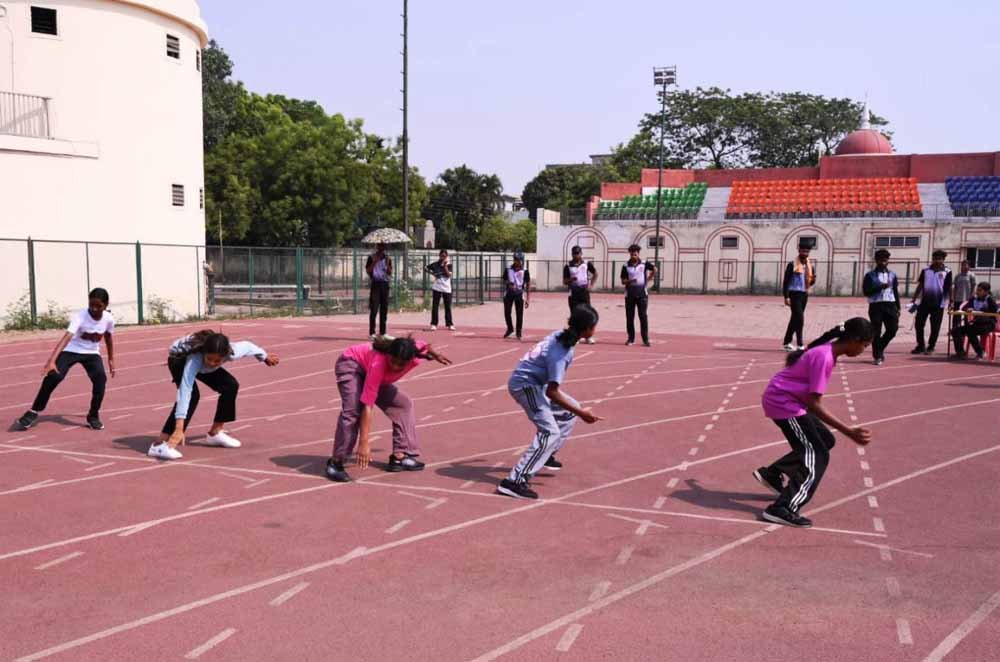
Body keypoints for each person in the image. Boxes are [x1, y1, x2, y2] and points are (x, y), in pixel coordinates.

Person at [753, 318, 874, 527]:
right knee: (818, 454)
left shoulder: (828, 351)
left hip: (790, 401)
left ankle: (772, 473)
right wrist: (849, 431)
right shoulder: (824, 357)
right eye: (864, 346)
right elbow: (814, 403)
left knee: (825, 439)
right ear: (854, 340)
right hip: (784, 404)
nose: (863, 351)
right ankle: (782, 508)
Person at [498, 304, 603, 499]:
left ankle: (547, 453)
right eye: (594, 326)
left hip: (536, 384)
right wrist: (583, 414)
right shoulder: (562, 352)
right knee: (550, 432)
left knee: (569, 411)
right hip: (525, 386)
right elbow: (552, 392)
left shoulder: (560, 335)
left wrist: (577, 411)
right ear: (587, 329)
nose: (596, 329)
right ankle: (514, 481)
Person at [325, 336, 451, 482]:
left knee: (403, 405)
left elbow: (424, 345)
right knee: (352, 412)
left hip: (371, 370)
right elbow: (368, 405)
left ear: (411, 359)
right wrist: (364, 443)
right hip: (351, 364)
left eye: (401, 364)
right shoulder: (378, 364)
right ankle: (336, 462)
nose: (396, 367)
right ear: (389, 355)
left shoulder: (412, 350)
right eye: (393, 361)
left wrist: (436, 355)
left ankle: (400, 456)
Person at [147, 331, 279, 460]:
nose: (212, 363)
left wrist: (264, 357)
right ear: (204, 353)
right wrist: (179, 428)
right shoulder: (195, 359)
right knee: (192, 396)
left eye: (217, 361)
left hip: (202, 362)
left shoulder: (232, 352)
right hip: (179, 359)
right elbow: (184, 392)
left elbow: (248, 346)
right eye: (209, 359)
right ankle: (159, 445)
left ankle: (215, 433)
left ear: (225, 355)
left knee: (230, 385)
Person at [15, 288, 116, 431]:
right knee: (54, 376)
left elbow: (108, 337)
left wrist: (111, 359)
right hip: (72, 350)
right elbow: (66, 337)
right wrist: (51, 361)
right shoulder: (81, 316)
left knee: (100, 380)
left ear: (105, 305)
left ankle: (93, 415)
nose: (94, 309)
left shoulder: (108, 319)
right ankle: (33, 411)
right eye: (91, 304)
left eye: (98, 306)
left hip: (92, 353)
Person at [862, 249, 900, 365]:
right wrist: (879, 287)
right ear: (876, 260)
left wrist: (898, 307)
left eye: (885, 260)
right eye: (880, 260)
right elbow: (866, 292)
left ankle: (880, 348)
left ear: (888, 261)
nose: (883, 262)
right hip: (876, 305)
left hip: (890, 305)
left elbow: (895, 291)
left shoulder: (892, 275)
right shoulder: (870, 275)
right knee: (876, 332)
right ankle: (877, 356)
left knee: (892, 330)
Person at [911, 250, 952, 355]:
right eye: (935, 258)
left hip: (939, 303)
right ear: (932, 259)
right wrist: (914, 298)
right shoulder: (925, 270)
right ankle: (920, 345)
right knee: (918, 324)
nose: (937, 261)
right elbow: (920, 285)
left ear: (943, 260)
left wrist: (951, 301)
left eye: (940, 259)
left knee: (935, 326)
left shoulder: (947, 271)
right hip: (924, 302)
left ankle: (931, 346)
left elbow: (949, 287)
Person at [782, 244, 816, 351]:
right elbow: (786, 282)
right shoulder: (792, 265)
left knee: (794, 318)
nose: (805, 253)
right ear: (799, 251)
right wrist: (786, 296)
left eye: (807, 252)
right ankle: (800, 344)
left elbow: (810, 282)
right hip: (794, 294)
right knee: (800, 319)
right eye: (803, 251)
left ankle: (787, 342)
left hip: (804, 294)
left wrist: (813, 280)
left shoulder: (810, 266)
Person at [620, 243, 655, 346]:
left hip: (642, 294)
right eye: (631, 254)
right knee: (630, 317)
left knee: (643, 316)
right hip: (630, 295)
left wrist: (648, 279)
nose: (633, 256)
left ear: (638, 254)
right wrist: (630, 281)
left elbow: (655, 269)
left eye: (635, 254)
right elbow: (623, 281)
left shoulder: (644, 263)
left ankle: (645, 339)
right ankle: (631, 338)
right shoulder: (625, 266)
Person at [950, 282, 997, 360]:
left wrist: (986, 311)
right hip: (976, 323)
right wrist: (968, 309)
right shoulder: (973, 299)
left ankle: (980, 352)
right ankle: (960, 352)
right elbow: (964, 307)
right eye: (977, 290)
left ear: (986, 292)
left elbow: (996, 310)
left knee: (970, 331)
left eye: (980, 290)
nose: (977, 292)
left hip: (988, 324)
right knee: (955, 330)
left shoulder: (989, 300)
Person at [563, 245, 597, 344]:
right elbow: (564, 281)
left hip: (584, 292)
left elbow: (595, 273)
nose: (576, 255)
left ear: (581, 253)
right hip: (573, 293)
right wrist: (571, 280)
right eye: (574, 253)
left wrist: (591, 285)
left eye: (577, 253)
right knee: (574, 315)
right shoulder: (568, 266)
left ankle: (588, 336)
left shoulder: (586, 263)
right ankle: (575, 336)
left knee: (587, 314)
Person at [366, 242, 392, 339]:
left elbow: (390, 272)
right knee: (374, 309)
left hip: (385, 284)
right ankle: (372, 332)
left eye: (384, 246)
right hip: (375, 284)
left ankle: (383, 332)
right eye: (380, 245)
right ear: (377, 246)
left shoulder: (387, 258)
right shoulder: (371, 257)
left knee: (384, 309)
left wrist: (387, 265)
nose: (382, 247)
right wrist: (374, 262)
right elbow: (368, 271)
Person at [503, 251, 531, 340]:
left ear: (522, 260)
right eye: (515, 259)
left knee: (519, 314)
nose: (517, 261)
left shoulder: (525, 270)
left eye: (519, 260)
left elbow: (528, 284)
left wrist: (528, 299)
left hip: (519, 293)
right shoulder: (508, 269)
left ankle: (518, 332)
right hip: (509, 293)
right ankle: (510, 328)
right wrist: (509, 283)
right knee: (507, 312)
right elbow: (504, 279)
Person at [427, 249, 455, 331]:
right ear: (439, 256)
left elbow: (448, 275)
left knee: (447, 306)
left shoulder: (449, 265)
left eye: (444, 256)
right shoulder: (435, 264)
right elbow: (426, 268)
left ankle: (449, 324)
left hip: (446, 288)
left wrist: (445, 266)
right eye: (441, 256)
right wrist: (433, 273)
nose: (443, 257)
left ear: (447, 256)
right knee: (435, 306)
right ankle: (434, 324)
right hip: (437, 287)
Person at [951, 260, 977, 328]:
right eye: (963, 265)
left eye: (966, 265)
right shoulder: (957, 276)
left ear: (969, 266)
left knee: (966, 316)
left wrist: (971, 296)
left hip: (967, 300)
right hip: (958, 299)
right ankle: (955, 329)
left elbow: (973, 286)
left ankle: (966, 329)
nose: (964, 266)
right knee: (956, 316)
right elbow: (955, 287)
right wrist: (953, 298)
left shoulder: (971, 275)